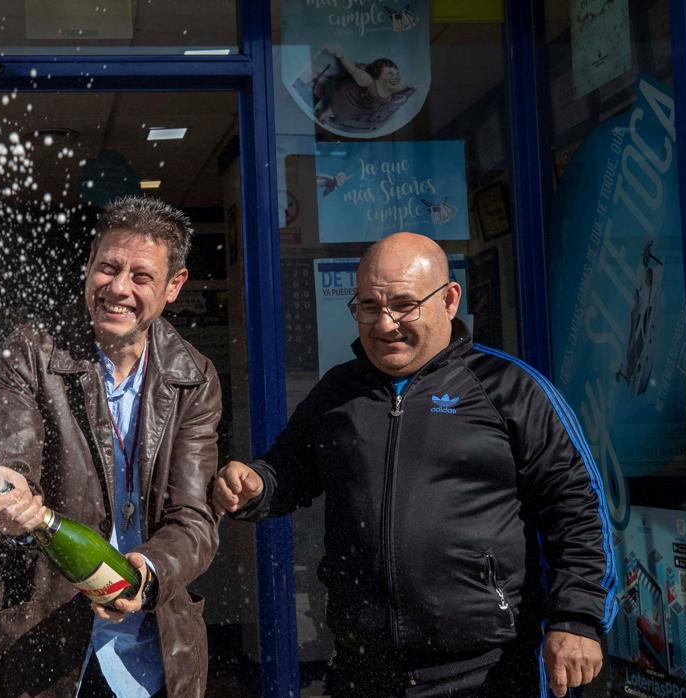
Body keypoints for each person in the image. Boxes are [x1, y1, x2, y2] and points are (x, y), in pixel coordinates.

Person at [214, 232, 615, 698]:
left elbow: (577, 509)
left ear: (448, 300)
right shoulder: (337, 393)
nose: (385, 326)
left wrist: (576, 619)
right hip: (363, 671)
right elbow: (289, 469)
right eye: (368, 306)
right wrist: (256, 485)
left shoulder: (512, 389)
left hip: (486, 673)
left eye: (404, 305)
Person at [0, 197, 222, 697]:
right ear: (89, 264)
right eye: (108, 267)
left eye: (141, 277)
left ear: (174, 286)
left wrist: (148, 573)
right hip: (38, 644)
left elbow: (194, 520)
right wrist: (11, 493)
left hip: (152, 654)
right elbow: (16, 454)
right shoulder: (32, 352)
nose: (118, 288)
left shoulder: (194, 377)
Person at [294, 49, 416, 134]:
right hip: (345, 98)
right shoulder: (367, 80)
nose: (394, 76)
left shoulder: (391, 88)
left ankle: (327, 112)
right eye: (389, 74)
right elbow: (353, 70)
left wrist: (411, 89)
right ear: (378, 76)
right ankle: (325, 110)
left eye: (396, 73)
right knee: (331, 104)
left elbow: (404, 89)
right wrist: (341, 57)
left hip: (356, 110)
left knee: (337, 112)